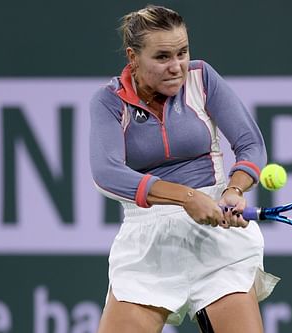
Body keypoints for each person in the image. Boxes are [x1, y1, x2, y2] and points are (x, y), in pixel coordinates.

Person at [89, 5, 279, 333]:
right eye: (162, 57)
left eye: (182, 52)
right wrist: (187, 198)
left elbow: (251, 144)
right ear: (133, 57)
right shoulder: (109, 101)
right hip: (147, 244)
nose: (176, 66)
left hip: (218, 242)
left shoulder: (202, 78)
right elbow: (106, 172)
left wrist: (234, 189)